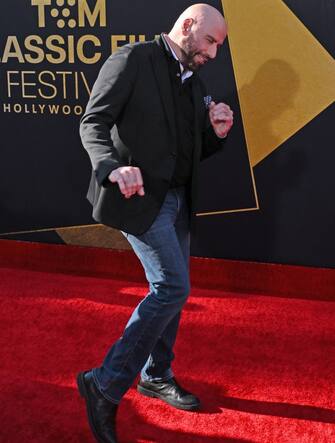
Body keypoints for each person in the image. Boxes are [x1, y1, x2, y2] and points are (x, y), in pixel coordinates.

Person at [77, 3, 233, 442]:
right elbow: (93, 122)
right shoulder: (131, 60)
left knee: (174, 290)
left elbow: (189, 151)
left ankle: (156, 374)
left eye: (218, 45)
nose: (214, 53)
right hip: (141, 199)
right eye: (211, 41)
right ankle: (105, 384)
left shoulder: (194, 82)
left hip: (179, 200)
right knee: (172, 287)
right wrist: (111, 167)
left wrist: (216, 133)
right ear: (187, 26)